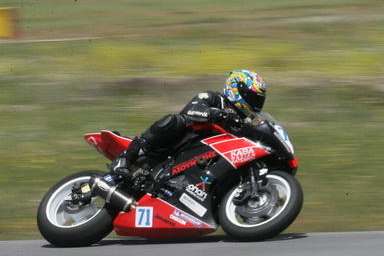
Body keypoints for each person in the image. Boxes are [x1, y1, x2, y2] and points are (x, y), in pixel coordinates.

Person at [109, 70, 267, 177]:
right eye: (253, 98)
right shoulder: (213, 98)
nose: (256, 104)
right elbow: (190, 110)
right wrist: (218, 114)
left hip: (198, 161)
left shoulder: (241, 123)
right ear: (237, 90)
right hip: (173, 146)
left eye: (258, 100)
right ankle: (126, 158)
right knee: (174, 121)